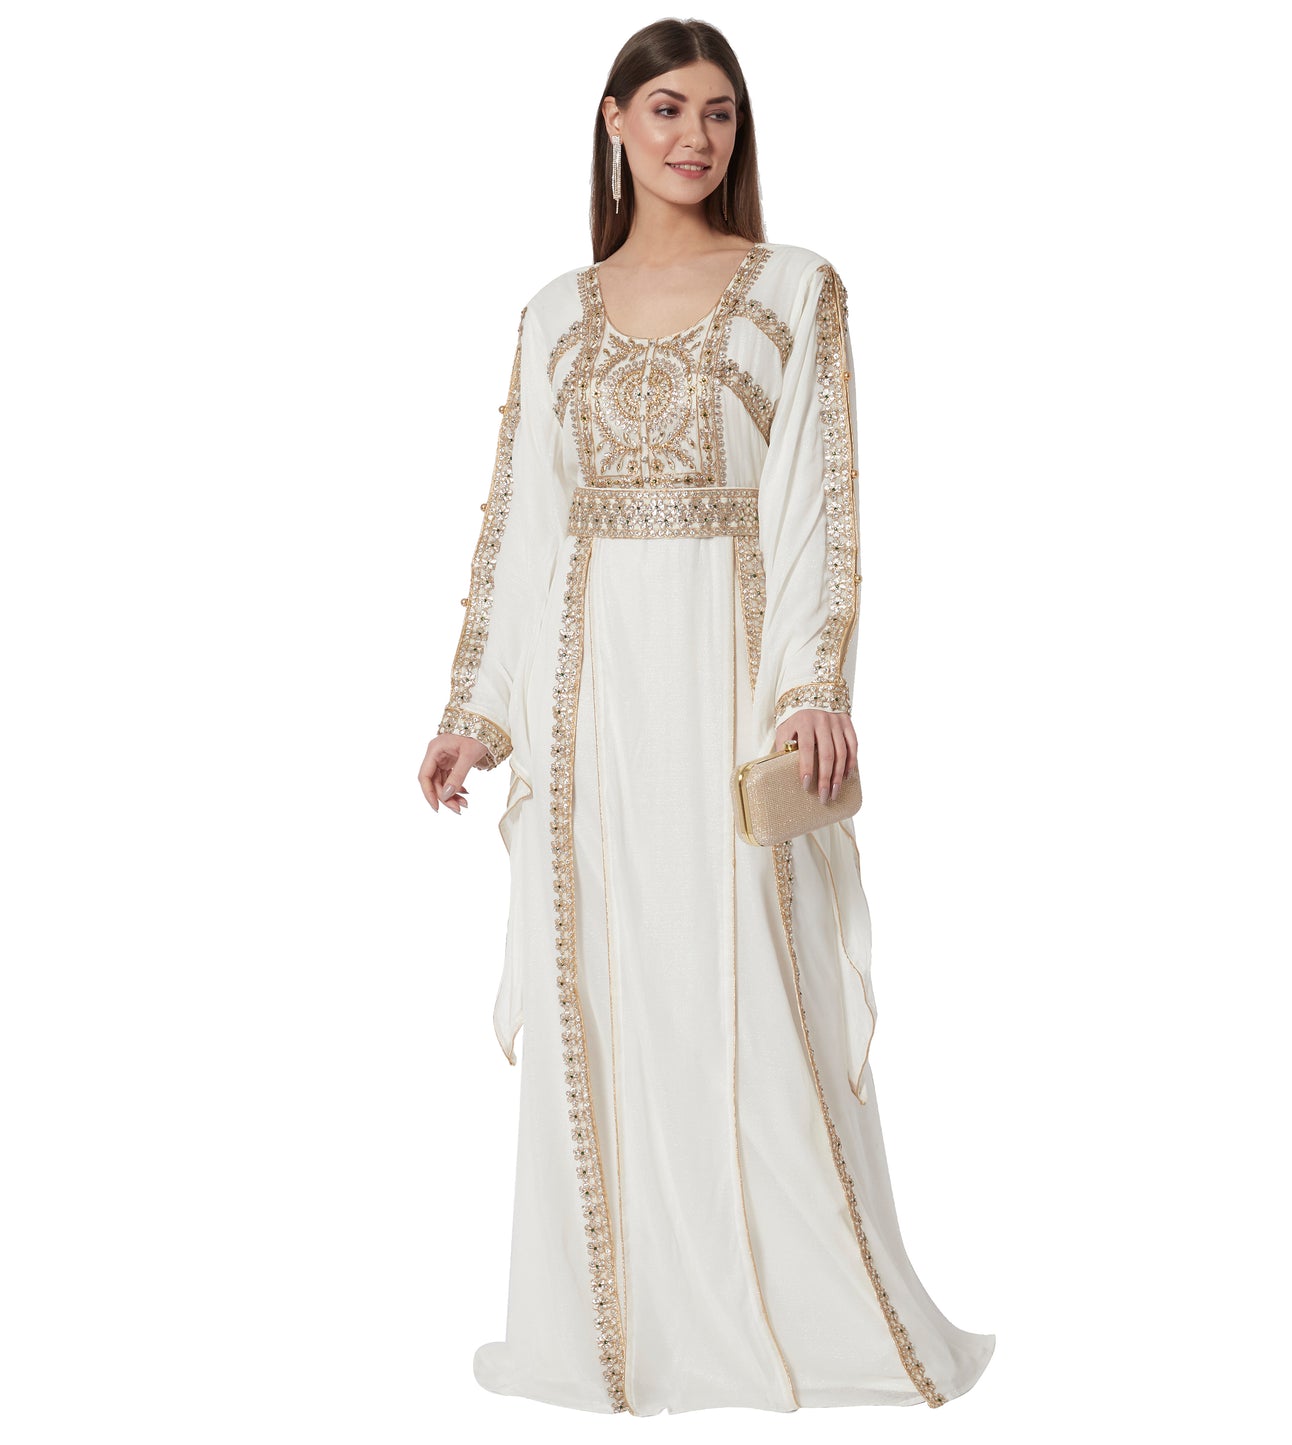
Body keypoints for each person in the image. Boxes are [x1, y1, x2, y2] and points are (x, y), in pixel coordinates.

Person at [416, 17, 996, 1416]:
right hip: (588, 710)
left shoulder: (794, 288)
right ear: (613, 122)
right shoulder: (551, 312)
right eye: (668, 108)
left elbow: (817, 500)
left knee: (757, 975)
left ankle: (807, 1318)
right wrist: (474, 711)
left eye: (720, 113)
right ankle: (623, 1338)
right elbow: (524, 521)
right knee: (605, 986)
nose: (695, 136)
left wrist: (810, 687)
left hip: (731, 694)